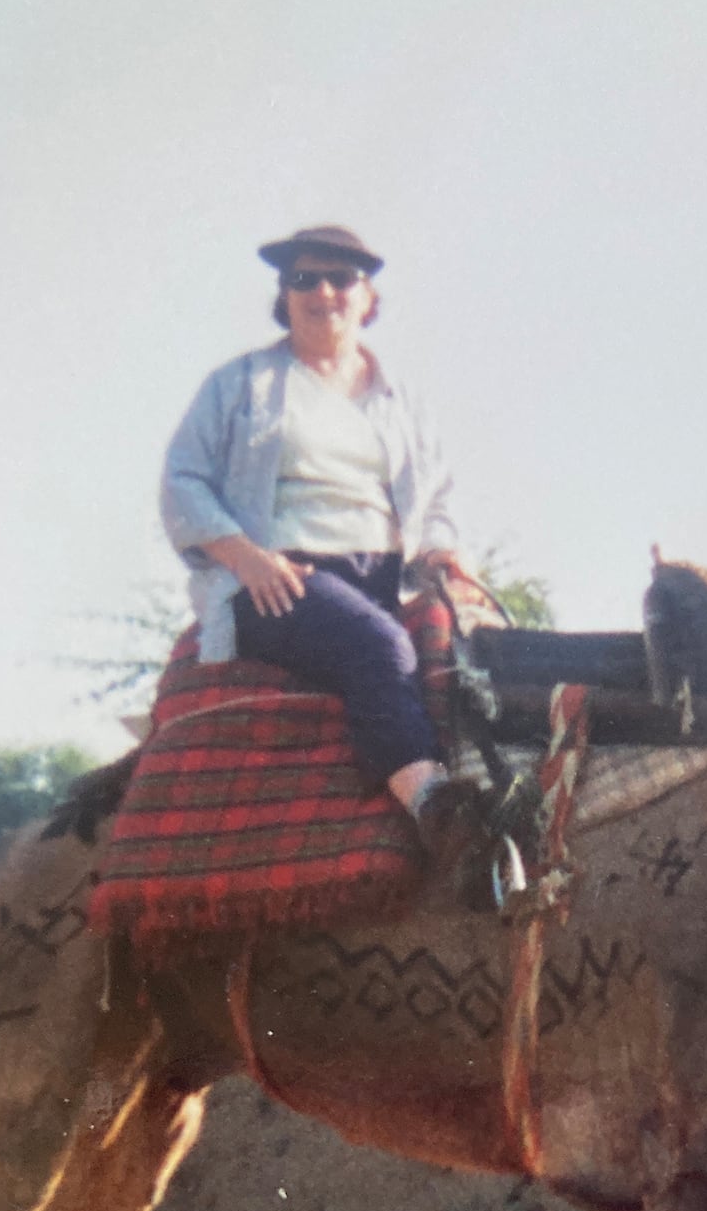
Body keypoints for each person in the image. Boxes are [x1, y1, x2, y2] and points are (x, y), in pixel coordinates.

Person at [161, 224, 479, 849]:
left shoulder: (400, 400)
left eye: (341, 278)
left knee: (475, 656)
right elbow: (183, 483)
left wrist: (443, 554)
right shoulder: (239, 384)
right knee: (378, 646)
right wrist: (244, 557)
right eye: (305, 279)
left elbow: (436, 497)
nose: (323, 292)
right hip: (278, 581)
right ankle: (432, 802)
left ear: (368, 298)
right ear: (284, 296)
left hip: (381, 578)